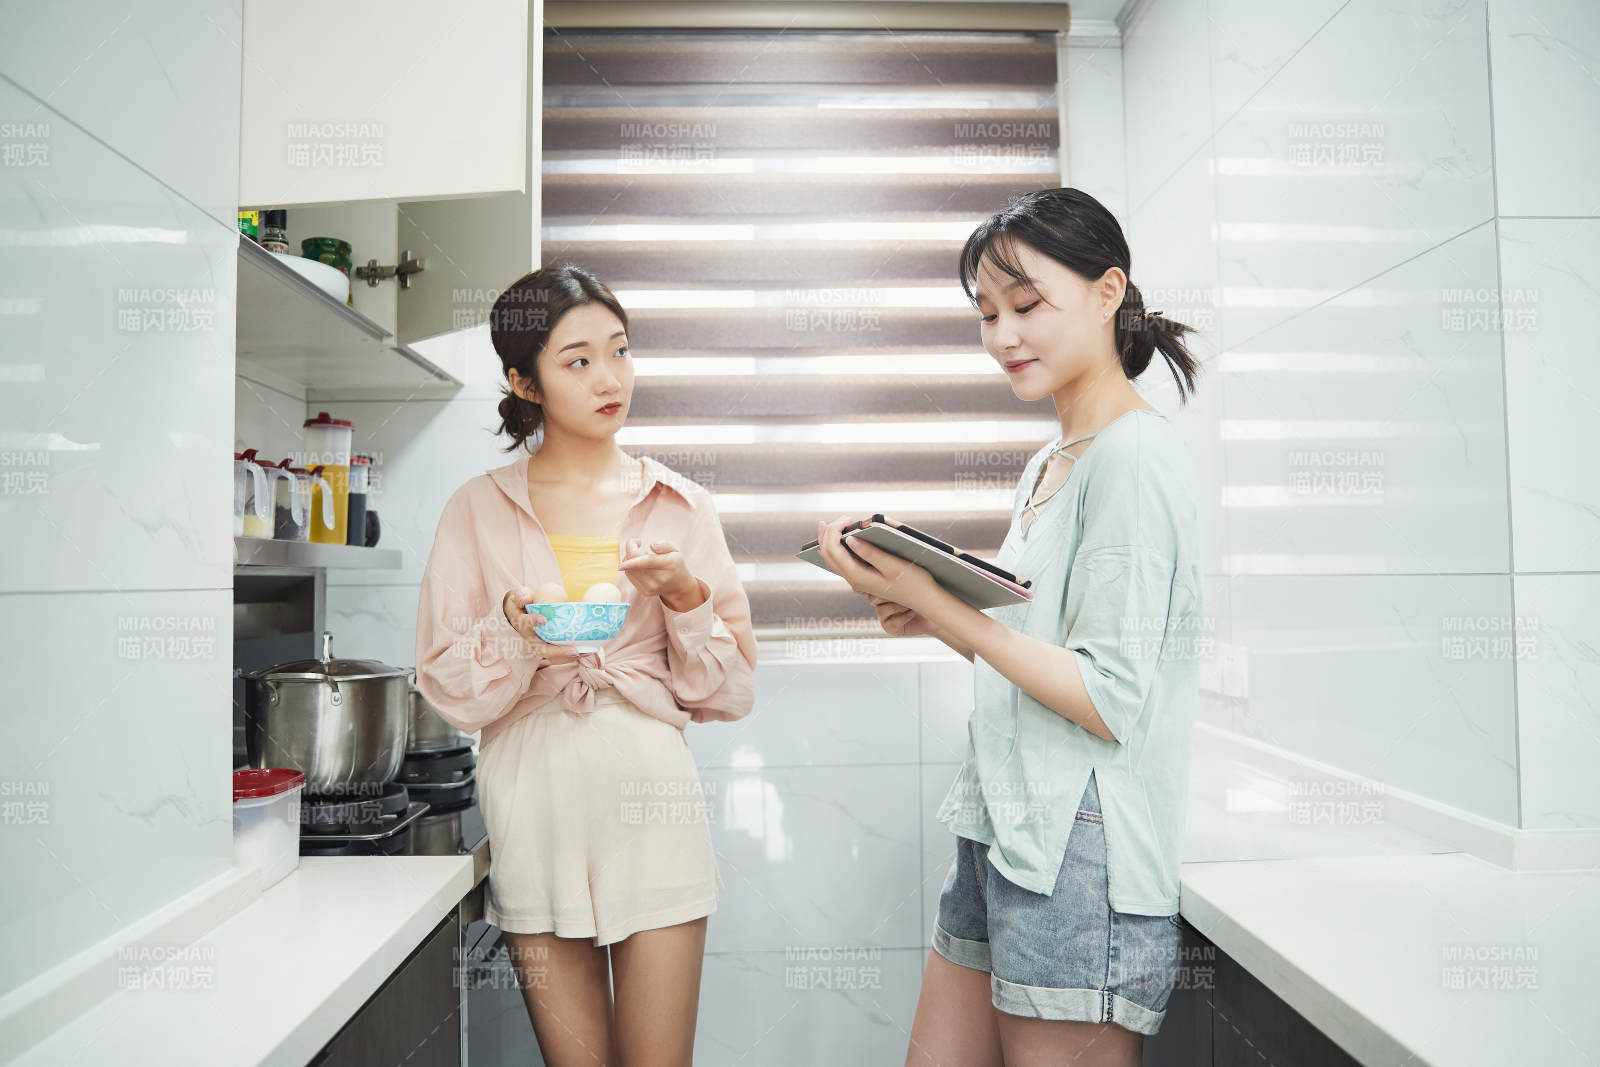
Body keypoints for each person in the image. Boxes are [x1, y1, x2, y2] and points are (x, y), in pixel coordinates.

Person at [816, 187, 1206, 1067]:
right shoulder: (1052, 459)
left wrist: (945, 604)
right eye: (987, 313)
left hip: (1082, 857)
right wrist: (927, 610)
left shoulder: (1136, 460)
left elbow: (1106, 697)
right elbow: (1039, 647)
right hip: (1005, 827)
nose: (1002, 336)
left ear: (1109, 293)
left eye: (1027, 306)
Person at [413, 264, 758, 1067]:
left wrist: (683, 595)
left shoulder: (681, 505)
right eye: (577, 360)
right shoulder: (476, 507)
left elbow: (731, 687)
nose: (610, 378)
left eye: (620, 351)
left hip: (653, 797)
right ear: (521, 381)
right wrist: (513, 629)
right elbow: (447, 686)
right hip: (533, 803)